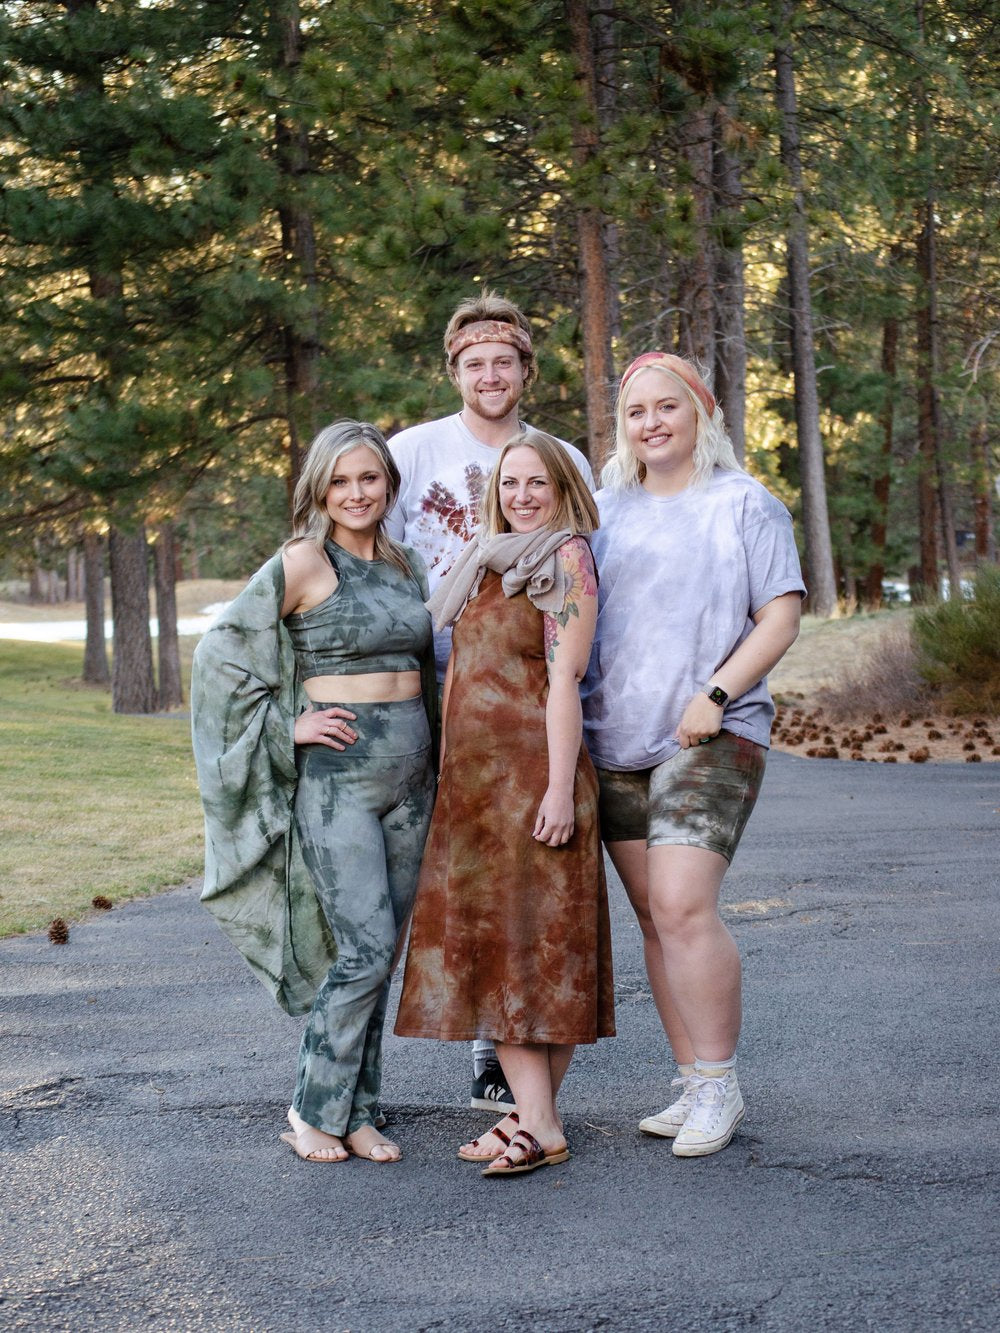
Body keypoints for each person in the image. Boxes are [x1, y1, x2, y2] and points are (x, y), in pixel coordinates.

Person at [191, 421, 437, 1165]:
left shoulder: (407, 564)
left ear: (388, 484)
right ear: (319, 489)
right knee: (361, 947)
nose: (356, 493)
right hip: (341, 782)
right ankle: (311, 1106)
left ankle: (357, 1111)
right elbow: (219, 658)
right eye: (341, 481)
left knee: (381, 953)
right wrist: (287, 726)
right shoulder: (303, 560)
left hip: (413, 778)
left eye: (369, 479)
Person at [581, 353, 805, 1158]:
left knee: (681, 904)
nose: (652, 423)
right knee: (653, 916)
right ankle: (689, 1078)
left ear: (700, 412)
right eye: (636, 411)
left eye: (667, 407)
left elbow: (779, 614)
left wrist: (714, 694)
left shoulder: (744, 504)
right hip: (613, 738)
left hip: (713, 730)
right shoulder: (604, 511)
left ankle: (720, 1082)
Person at [386, 290, 595, 1114]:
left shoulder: (555, 455)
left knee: (521, 877)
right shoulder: (414, 450)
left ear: (525, 369)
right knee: (455, 871)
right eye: (474, 362)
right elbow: (372, 539)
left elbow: (579, 583)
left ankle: (497, 1059)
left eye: (504, 360)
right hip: (434, 677)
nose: (490, 373)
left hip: (527, 683)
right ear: (455, 371)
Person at [394, 429, 615, 1176]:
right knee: (518, 950)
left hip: (533, 779)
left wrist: (558, 786)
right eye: (510, 483)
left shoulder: (565, 559)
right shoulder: (484, 562)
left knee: (530, 954)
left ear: (562, 490)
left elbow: (564, 679)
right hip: (476, 786)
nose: (522, 496)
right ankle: (530, 1114)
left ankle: (542, 1128)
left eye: (537, 485)